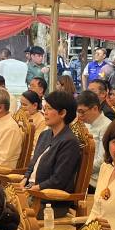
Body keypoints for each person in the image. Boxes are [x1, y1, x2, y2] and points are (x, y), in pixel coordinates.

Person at [22, 90, 81, 218]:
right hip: (31, 191)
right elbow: (33, 165)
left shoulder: (69, 142)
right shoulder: (45, 134)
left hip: (49, 202)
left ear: (63, 113)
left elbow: (58, 180)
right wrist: (24, 180)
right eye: (45, 108)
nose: (45, 113)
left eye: (49, 109)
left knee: (4, 211)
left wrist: (33, 189)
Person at [76, 89, 112, 189]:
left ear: (95, 108)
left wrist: (79, 169)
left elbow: (102, 161)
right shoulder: (85, 124)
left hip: (93, 180)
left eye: (82, 112)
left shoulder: (106, 126)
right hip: (81, 174)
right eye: (78, 112)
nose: (79, 115)